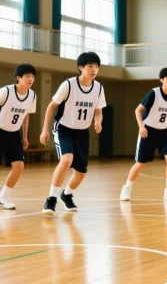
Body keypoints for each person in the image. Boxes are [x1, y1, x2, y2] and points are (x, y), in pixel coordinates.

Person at [41, 52, 106, 215]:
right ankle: (51, 199)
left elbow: (98, 111)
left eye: (96, 67)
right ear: (81, 68)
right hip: (64, 128)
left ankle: (67, 195)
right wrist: (44, 129)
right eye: (90, 66)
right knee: (66, 159)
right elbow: (51, 106)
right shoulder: (68, 85)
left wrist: (98, 121)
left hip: (82, 131)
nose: (94, 69)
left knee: (81, 174)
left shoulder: (98, 88)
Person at [120, 67, 167, 202]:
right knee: (140, 164)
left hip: (165, 132)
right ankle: (127, 188)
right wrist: (141, 126)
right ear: (162, 80)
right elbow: (138, 110)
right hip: (148, 130)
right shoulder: (154, 93)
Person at [0, 63, 37, 209]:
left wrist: (25, 136)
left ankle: (3, 197)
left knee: (19, 166)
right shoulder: (6, 91)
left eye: (33, 76)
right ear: (18, 78)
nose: (30, 79)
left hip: (14, 133)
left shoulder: (32, 95)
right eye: (27, 76)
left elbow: (26, 116)